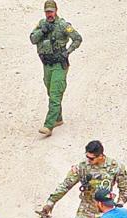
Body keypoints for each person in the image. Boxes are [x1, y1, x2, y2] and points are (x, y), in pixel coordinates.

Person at [29, 0, 82, 136]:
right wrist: (42, 31)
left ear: (56, 11)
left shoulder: (63, 25)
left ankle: (49, 125)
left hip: (59, 64)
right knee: (50, 91)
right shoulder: (41, 24)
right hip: (46, 65)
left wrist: (68, 51)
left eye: (51, 12)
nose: (49, 14)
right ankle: (58, 118)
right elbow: (33, 39)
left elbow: (77, 38)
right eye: (47, 12)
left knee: (55, 93)